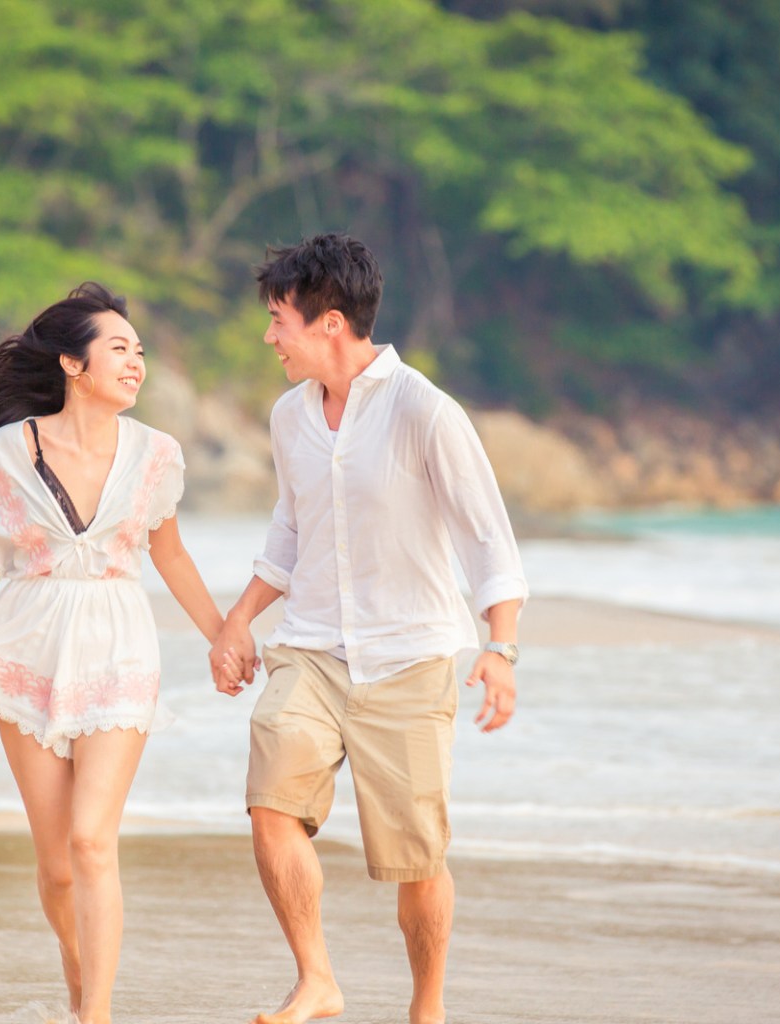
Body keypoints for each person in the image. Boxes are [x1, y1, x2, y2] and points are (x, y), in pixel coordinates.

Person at [210, 234, 528, 1024]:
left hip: (410, 657)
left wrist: (500, 648)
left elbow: (489, 539)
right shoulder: (290, 418)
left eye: (279, 319)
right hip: (312, 649)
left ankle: (427, 1008)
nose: (268, 337)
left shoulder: (425, 410)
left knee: (417, 859)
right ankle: (317, 979)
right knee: (271, 800)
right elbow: (289, 533)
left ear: (330, 323)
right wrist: (237, 621)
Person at [0, 283, 224, 1024]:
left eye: (141, 352)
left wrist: (223, 632)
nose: (136, 363)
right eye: (119, 349)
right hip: (25, 644)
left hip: (119, 645)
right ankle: (76, 966)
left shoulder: (157, 454)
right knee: (58, 865)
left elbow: (174, 557)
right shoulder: (12, 451)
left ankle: (95, 1014)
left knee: (94, 841)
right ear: (72, 362)